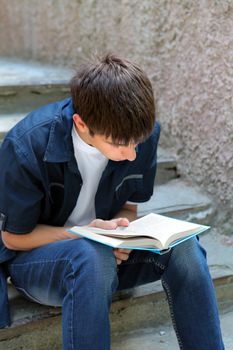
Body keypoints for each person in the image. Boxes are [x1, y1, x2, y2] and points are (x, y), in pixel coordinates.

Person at [0, 54, 224, 349]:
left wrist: (120, 231)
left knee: (185, 247)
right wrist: (90, 235)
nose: (132, 155)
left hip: (108, 255)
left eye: (137, 143)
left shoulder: (140, 135)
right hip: (39, 265)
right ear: (81, 124)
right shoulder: (27, 145)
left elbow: (128, 208)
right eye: (119, 144)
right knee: (91, 254)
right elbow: (13, 238)